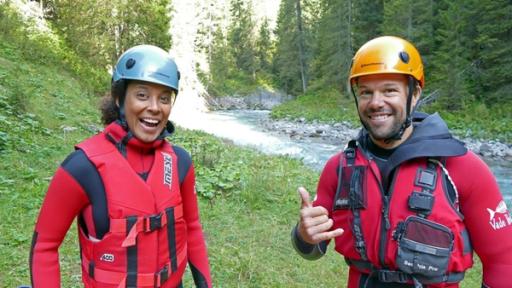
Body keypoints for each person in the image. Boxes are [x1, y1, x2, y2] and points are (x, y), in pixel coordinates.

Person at [291, 36, 512, 287]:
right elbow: (311, 250)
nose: (376, 102)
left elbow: (504, 260)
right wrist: (305, 235)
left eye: (389, 90)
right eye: (366, 92)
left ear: (414, 94)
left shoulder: (464, 169)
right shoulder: (339, 168)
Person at [30, 45, 212, 287]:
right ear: (119, 98)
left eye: (165, 98)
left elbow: (192, 229)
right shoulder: (82, 168)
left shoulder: (180, 163)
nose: (155, 107)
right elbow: (45, 246)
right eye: (142, 95)